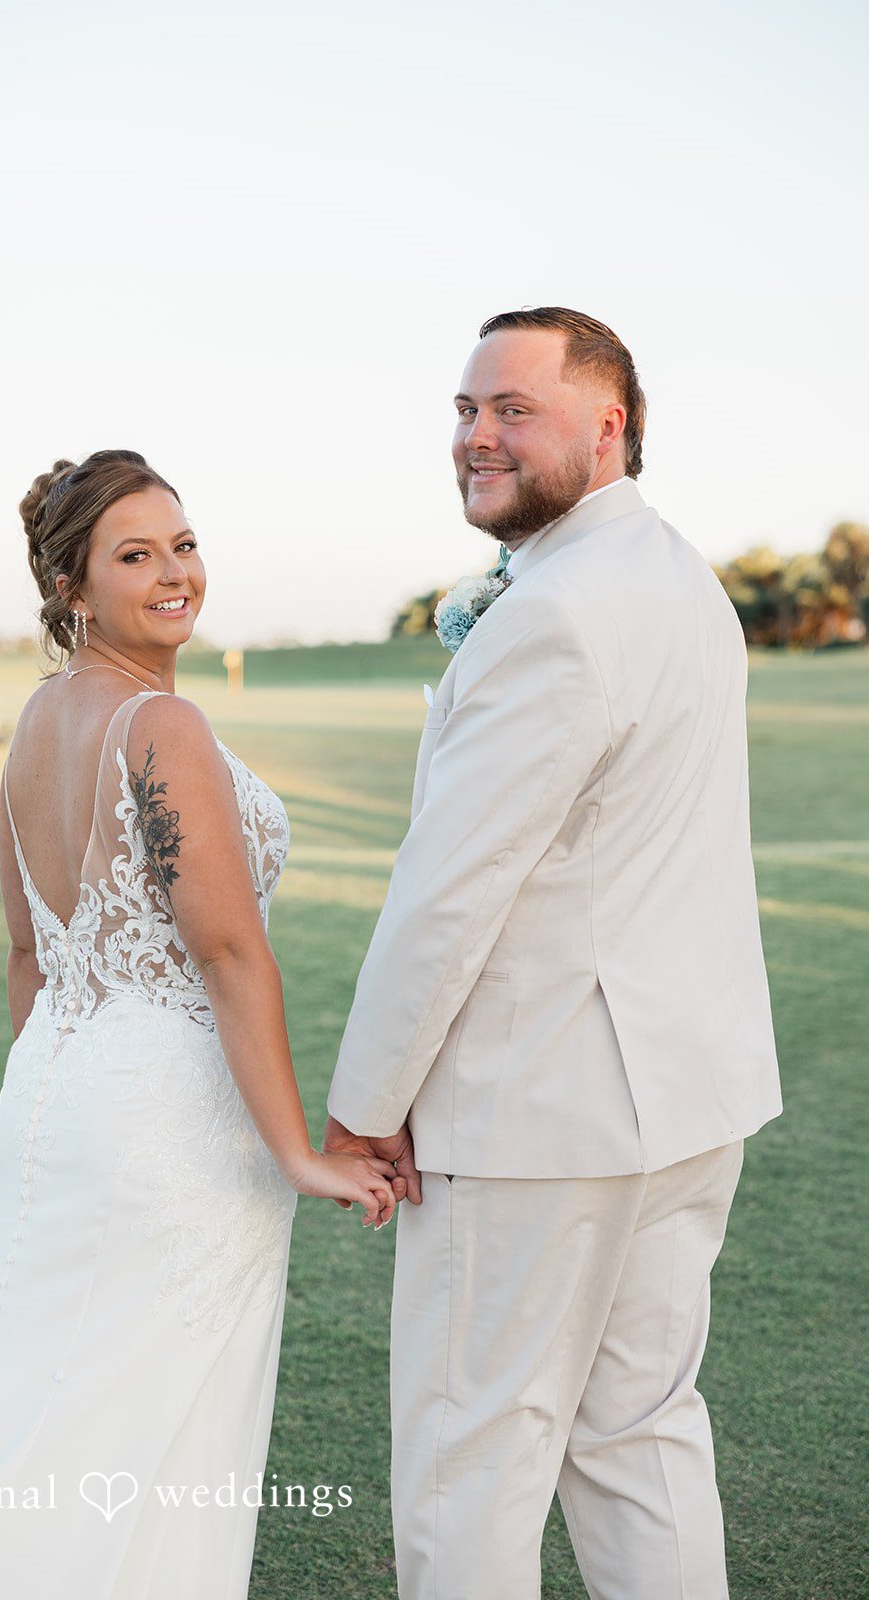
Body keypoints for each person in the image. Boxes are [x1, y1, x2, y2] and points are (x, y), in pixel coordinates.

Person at [0, 448, 398, 1598]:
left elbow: (28, 954)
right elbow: (228, 952)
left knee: (24, 1399)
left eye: (183, 544)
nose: (174, 573)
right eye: (135, 555)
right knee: (136, 1438)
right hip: (168, 1123)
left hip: (55, 1090)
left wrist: (53, 1107)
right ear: (69, 587)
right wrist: (296, 1153)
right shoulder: (160, 725)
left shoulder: (35, 721)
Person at [324, 308, 783, 1600]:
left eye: (512, 409)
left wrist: (366, 1106)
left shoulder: (553, 613)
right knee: (639, 1438)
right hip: (683, 1100)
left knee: (466, 1465)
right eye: (464, 410)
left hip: (536, 1114)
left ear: (607, 425)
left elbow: (448, 891)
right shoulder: (681, 581)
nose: (476, 434)